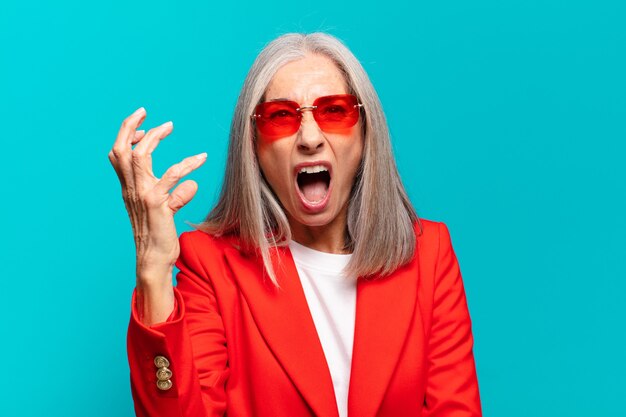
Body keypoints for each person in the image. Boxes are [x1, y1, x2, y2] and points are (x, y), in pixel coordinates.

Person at [109, 32, 482, 417]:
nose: (309, 138)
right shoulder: (211, 264)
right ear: (253, 145)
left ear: (366, 133)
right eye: (280, 117)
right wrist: (152, 273)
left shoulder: (430, 255)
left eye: (334, 111)